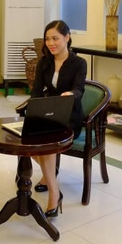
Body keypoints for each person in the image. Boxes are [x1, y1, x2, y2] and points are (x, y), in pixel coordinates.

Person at [29, 20, 86, 218]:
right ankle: (50, 176)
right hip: (48, 113)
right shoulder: (44, 62)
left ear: (67, 38)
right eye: (47, 39)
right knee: (24, 140)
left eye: (55, 38)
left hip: (69, 116)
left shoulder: (79, 63)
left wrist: (70, 94)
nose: (50, 43)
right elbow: (37, 91)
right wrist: (33, 111)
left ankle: (54, 193)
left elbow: (79, 89)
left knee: (47, 141)